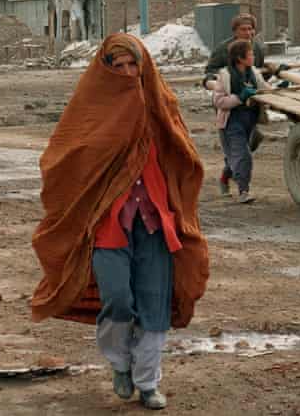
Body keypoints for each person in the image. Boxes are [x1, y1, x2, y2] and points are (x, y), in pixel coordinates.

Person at [31, 34, 209, 411]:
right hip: (108, 225)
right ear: (106, 70)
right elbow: (64, 158)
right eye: (119, 66)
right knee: (117, 300)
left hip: (155, 224)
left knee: (154, 305)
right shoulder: (90, 111)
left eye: (133, 66)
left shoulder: (160, 107)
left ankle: (148, 383)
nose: (127, 73)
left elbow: (181, 155)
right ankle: (120, 364)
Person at [212, 40, 273, 204]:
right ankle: (243, 191)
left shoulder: (253, 72)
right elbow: (218, 102)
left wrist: (279, 89)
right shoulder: (225, 76)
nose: (253, 56)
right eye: (250, 54)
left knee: (236, 155)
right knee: (243, 156)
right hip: (232, 122)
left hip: (250, 120)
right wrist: (239, 97)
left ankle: (225, 177)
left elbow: (264, 88)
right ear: (240, 58)